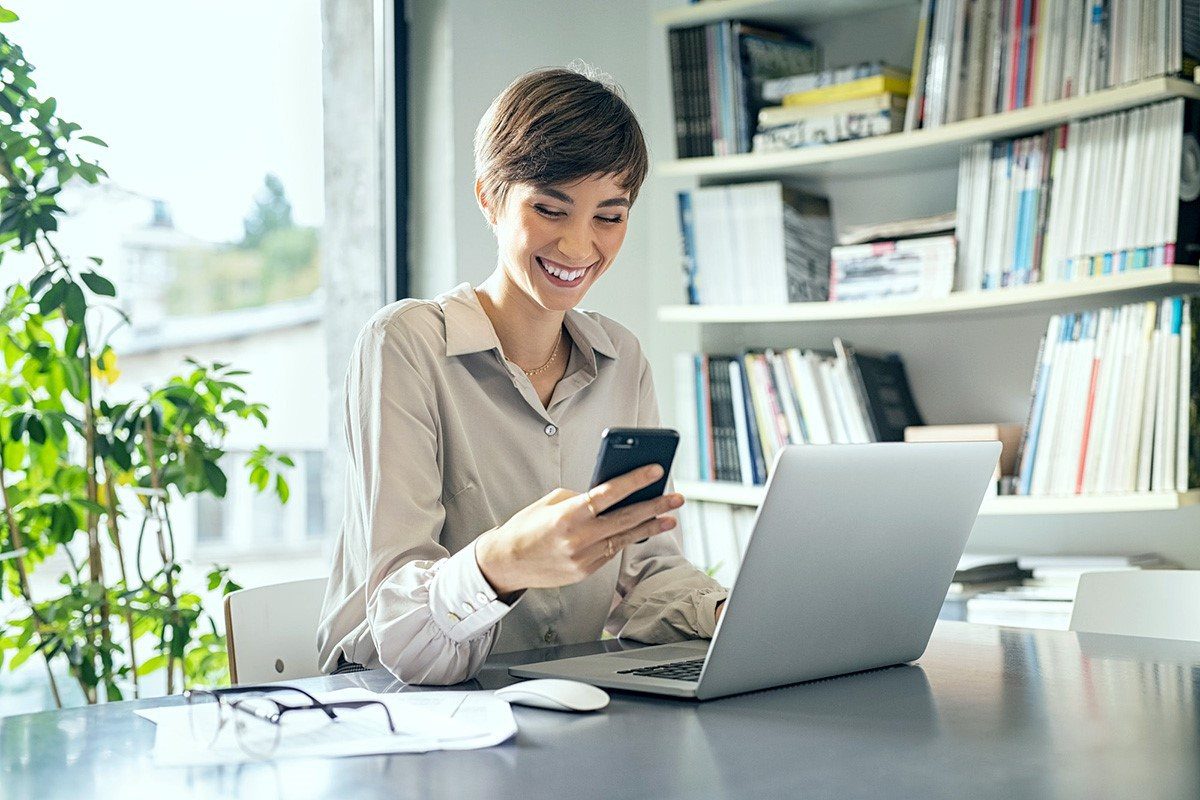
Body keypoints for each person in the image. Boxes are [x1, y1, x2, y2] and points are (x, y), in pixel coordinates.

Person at [317, 64, 728, 685]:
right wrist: (502, 562)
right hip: (392, 709)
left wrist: (732, 613)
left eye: (608, 217)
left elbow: (648, 571)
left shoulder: (623, 359)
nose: (578, 246)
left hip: (554, 704)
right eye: (550, 209)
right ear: (488, 196)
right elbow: (397, 627)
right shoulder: (404, 345)